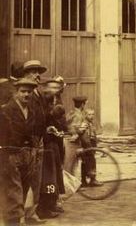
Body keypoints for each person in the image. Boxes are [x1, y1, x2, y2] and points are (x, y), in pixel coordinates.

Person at [0, 78, 38, 226]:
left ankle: (18, 218)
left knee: (24, 185)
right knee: (13, 188)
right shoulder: (6, 110)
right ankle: (13, 221)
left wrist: (33, 149)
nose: (26, 95)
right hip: (10, 154)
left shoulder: (31, 111)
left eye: (29, 92)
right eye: (23, 91)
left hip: (27, 155)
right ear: (16, 93)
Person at [37, 79, 66, 219]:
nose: (56, 89)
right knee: (48, 178)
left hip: (55, 143)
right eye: (53, 87)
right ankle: (44, 207)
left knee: (55, 176)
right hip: (47, 144)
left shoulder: (55, 100)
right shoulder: (43, 102)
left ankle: (52, 203)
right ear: (46, 88)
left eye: (58, 87)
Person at [23, 59, 48, 222]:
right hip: (28, 141)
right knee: (25, 177)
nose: (37, 75)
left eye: (38, 71)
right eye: (33, 71)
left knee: (36, 177)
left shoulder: (38, 93)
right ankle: (21, 214)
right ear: (26, 74)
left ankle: (32, 213)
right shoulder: (24, 93)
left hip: (39, 139)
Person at [64, 96, 88, 174]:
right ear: (82, 105)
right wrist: (82, 128)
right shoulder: (78, 115)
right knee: (70, 165)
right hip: (72, 142)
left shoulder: (72, 112)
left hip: (70, 141)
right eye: (84, 104)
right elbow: (74, 129)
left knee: (71, 164)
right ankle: (68, 185)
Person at [79, 109, 103, 188]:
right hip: (87, 145)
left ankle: (88, 180)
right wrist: (89, 147)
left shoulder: (91, 123)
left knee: (89, 162)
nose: (91, 116)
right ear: (85, 115)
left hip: (91, 144)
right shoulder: (84, 124)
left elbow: (93, 135)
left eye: (92, 114)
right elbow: (84, 137)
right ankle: (88, 180)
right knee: (88, 162)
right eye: (89, 114)